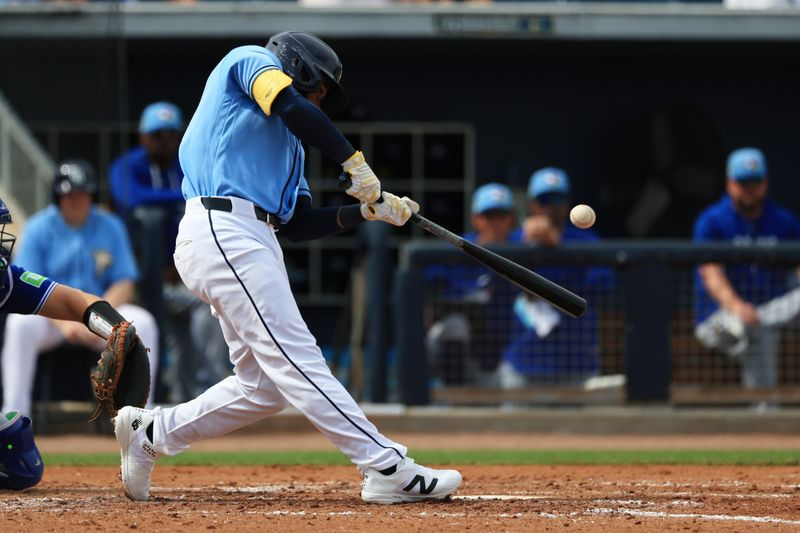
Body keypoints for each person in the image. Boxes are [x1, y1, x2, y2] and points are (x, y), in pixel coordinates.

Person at [113, 31, 461, 504]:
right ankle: (387, 467)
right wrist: (354, 161)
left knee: (263, 387)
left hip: (254, 238)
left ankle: (152, 431)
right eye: (318, 87)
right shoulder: (249, 61)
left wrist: (365, 212)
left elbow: (296, 224)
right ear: (297, 65)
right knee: (298, 355)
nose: (318, 99)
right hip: (222, 225)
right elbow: (296, 108)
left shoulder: (290, 150)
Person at [0, 196, 153, 490]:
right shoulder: (42, 226)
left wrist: (116, 330)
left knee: (19, 461)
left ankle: (141, 426)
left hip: (65, 330)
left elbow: (74, 302)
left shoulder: (3, 280)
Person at [1, 160, 159, 417]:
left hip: (99, 316)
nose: (76, 199)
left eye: (82, 193)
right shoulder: (38, 227)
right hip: (52, 319)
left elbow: (124, 283)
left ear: (92, 195)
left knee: (144, 322)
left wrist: (99, 320)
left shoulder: (111, 225)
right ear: (57, 196)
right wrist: (66, 323)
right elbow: (25, 288)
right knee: (19, 324)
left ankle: (142, 417)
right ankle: (15, 416)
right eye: (69, 194)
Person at [109, 101, 229, 402]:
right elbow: (132, 197)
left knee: (205, 311)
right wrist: (182, 196)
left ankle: (204, 390)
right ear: (143, 137)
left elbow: (214, 193)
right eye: (157, 135)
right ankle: (204, 387)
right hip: (142, 277)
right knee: (149, 218)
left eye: (171, 134)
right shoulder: (129, 164)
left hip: (185, 274)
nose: (165, 141)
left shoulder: (186, 163)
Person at [693, 147, 800, 391]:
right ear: (730, 183)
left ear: (765, 182)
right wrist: (737, 307)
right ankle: (763, 414)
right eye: (743, 183)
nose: (750, 189)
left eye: (755, 182)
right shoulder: (712, 220)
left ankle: (763, 411)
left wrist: (758, 316)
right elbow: (711, 273)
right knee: (753, 330)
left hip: (772, 313)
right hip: (721, 318)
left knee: (759, 326)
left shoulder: (783, 220)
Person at [499, 167, 612, 389]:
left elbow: (604, 287)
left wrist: (557, 248)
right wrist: (529, 245)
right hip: (524, 362)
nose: (551, 206)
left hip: (577, 363)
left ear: (567, 202)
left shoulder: (586, 241)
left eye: (557, 198)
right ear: (533, 204)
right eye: (544, 199)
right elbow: (499, 287)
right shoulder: (515, 241)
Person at [424, 183, 523, 385]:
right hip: (458, 352)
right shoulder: (456, 248)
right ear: (476, 219)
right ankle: (454, 395)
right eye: (489, 216)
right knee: (454, 325)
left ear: (511, 219)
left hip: (503, 355)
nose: (495, 223)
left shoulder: (522, 247)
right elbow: (423, 289)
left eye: (501, 215)